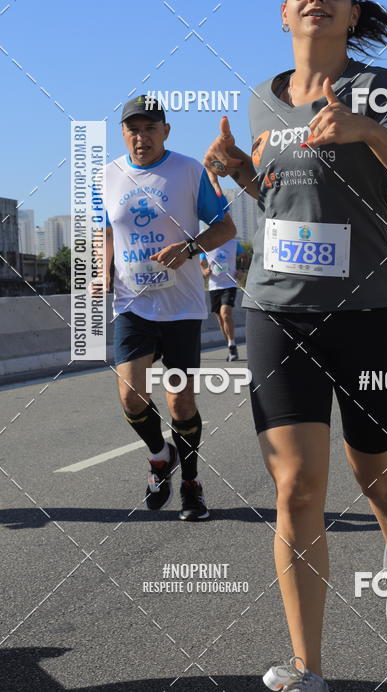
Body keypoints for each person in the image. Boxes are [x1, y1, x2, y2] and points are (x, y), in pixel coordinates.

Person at [203, 0, 387, 692]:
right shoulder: (261, 101)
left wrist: (365, 131)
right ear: (283, 12)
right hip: (277, 308)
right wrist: (241, 176)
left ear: (352, 11)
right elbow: (282, 208)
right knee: (297, 488)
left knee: (372, 472)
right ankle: (309, 668)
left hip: (369, 309)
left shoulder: (375, 90)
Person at [101, 96, 235, 520]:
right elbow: (104, 230)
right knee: (130, 397)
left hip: (181, 307)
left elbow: (226, 227)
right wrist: (102, 270)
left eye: (150, 128)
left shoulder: (189, 170)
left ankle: (192, 485)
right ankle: (161, 456)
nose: (141, 137)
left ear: (166, 131)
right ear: (123, 133)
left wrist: (190, 247)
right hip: (132, 304)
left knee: (179, 403)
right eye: (133, 129)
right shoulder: (106, 176)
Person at [199, 238, 245, 360]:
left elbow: (243, 256)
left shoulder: (233, 243)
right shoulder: (206, 244)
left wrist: (241, 270)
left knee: (225, 314)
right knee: (220, 319)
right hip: (214, 287)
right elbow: (201, 264)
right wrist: (205, 271)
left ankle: (232, 346)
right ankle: (230, 344)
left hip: (229, 285)